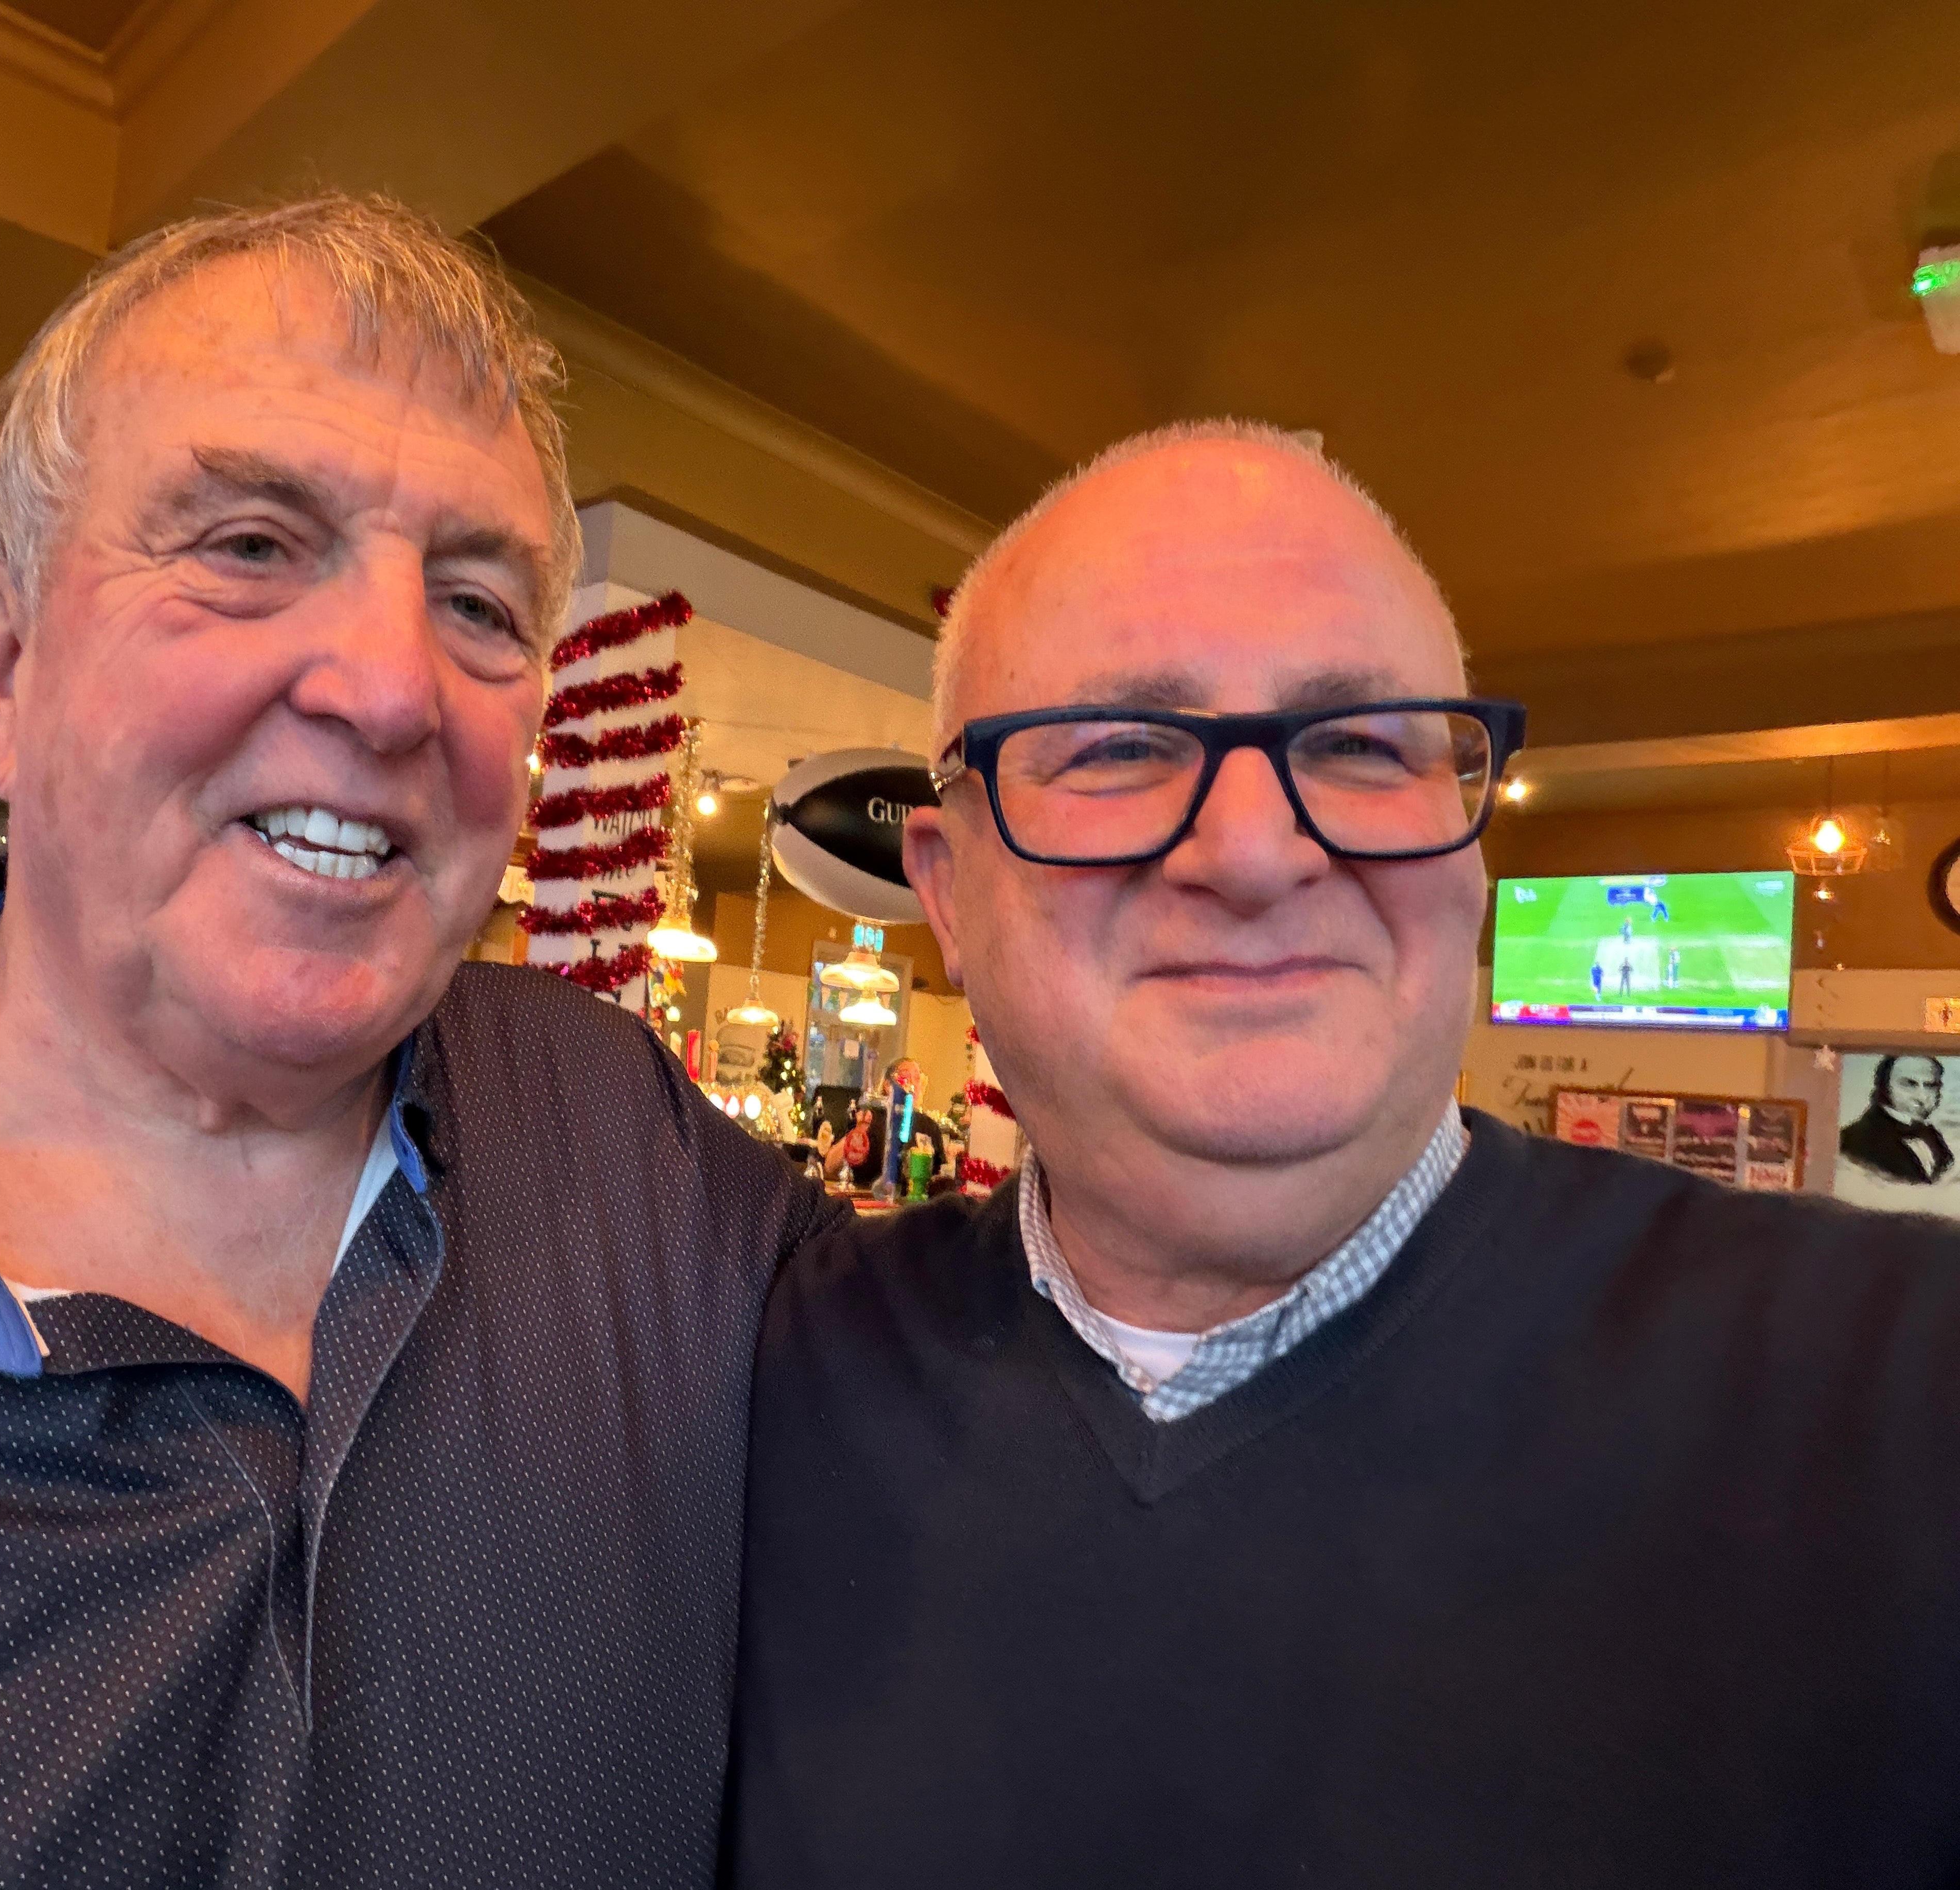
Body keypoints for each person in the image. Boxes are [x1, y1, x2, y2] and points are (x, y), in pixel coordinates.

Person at [0, 196, 842, 1887]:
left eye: (478, 604)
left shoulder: (632, 1149)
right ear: (4, 659)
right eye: (250, 544)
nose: (392, 689)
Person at [726, 421, 1960, 1887]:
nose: (1253, 852)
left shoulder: (1901, 1394)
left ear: (1467, 845)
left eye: (1360, 745)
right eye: (1120, 747)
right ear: (946, 885)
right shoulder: (761, 1370)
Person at [821, 1057, 944, 1188]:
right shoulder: (869, 1118)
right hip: (865, 1196)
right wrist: (860, 1130)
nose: (912, 1084)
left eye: (918, 1079)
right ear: (887, 1085)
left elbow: (939, 1179)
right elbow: (830, 1166)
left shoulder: (930, 1127)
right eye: (905, 1077)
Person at [1840, 1054, 1956, 1184]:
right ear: (1885, 1087)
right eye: (1910, 1084)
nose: (1922, 1097)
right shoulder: (1855, 1140)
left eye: (1931, 1086)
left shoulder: (1931, 1136)